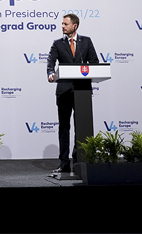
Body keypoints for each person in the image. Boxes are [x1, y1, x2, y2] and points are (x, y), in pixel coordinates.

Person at [46, 13, 98, 173]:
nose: (62, 26)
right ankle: (64, 163)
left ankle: (78, 161)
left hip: (82, 90)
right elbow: (51, 61)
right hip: (64, 91)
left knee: (81, 127)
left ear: (74, 26)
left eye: (65, 24)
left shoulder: (86, 42)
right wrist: (50, 73)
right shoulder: (57, 43)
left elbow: (94, 63)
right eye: (62, 24)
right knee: (64, 127)